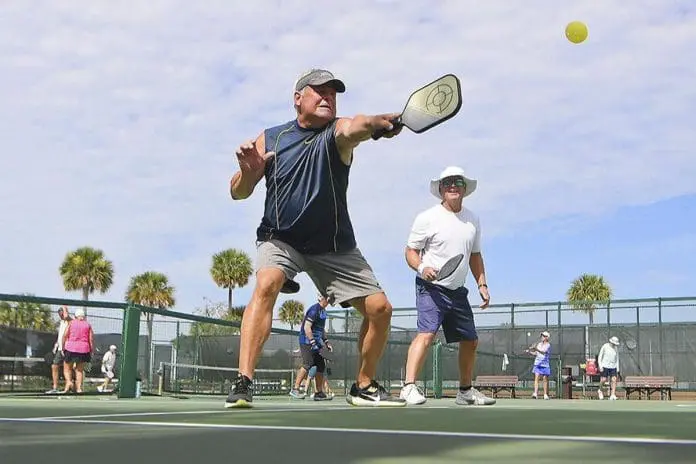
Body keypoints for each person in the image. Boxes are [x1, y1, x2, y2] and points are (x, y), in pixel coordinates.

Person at [226, 68, 406, 408]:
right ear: (298, 99)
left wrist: (376, 125)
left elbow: (357, 125)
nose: (328, 98)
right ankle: (243, 381)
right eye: (319, 91)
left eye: (333, 93)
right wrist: (249, 173)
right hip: (281, 238)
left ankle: (363, 385)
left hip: (333, 245)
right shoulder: (272, 138)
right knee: (267, 283)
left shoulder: (336, 132)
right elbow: (238, 192)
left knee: (380, 310)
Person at [399, 166, 495, 406]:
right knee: (427, 334)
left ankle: (465, 392)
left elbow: (475, 255)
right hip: (430, 288)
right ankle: (408, 387)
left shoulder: (473, 220)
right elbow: (410, 251)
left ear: (465, 189)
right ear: (441, 189)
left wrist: (482, 283)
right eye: (448, 182)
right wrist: (422, 268)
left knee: (470, 340)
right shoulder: (427, 218)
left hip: (458, 291)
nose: (453, 186)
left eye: (458, 182)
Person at [290, 295, 331, 400]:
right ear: (322, 298)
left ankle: (318, 393)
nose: (330, 299)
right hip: (306, 341)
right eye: (327, 297)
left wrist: (326, 342)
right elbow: (307, 327)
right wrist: (313, 342)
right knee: (308, 363)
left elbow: (321, 330)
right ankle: (295, 389)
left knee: (321, 365)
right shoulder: (314, 310)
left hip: (317, 342)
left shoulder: (323, 312)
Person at [62, 308, 94, 394]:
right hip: (84, 349)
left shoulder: (71, 323)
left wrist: (63, 347)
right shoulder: (88, 325)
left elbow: (65, 335)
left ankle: (68, 382)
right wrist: (91, 350)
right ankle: (79, 388)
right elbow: (90, 339)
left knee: (66, 368)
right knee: (79, 370)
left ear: (75, 316)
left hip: (70, 348)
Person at [46, 306, 71, 394]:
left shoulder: (70, 321)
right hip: (60, 349)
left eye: (62, 313)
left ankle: (69, 388)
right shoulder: (61, 322)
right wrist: (56, 345)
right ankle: (55, 387)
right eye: (59, 313)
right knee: (54, 366)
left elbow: (67, 316)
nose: (61, 315)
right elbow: (60, 335)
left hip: (68, 348)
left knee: (67, 368)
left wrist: (64, 308)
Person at [528, 331, 551, 400]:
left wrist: (536, 348)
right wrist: (530, 352)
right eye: (542, 336)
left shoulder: (548, 345)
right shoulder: (539, 344)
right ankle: (535, 394)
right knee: (536, 378)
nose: (542, 337)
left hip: (545, 364)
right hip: (537, 363)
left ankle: (545, 394)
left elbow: (543, 352)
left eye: (544, 336)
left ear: (547, 338)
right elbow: (536, 353)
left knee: (545, 379)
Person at [597, 336, 620, 400]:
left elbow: (617, 358)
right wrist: (600, 366)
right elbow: (600, 356)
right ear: (611, 342)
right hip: (605, 366)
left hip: (613, 367)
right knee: (603, 380)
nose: (614, 345)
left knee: (614, 380)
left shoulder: (616, 348)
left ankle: (612, 395)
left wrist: (617, 368)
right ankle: (600, 390)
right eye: (613, 343)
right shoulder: (605, 346)